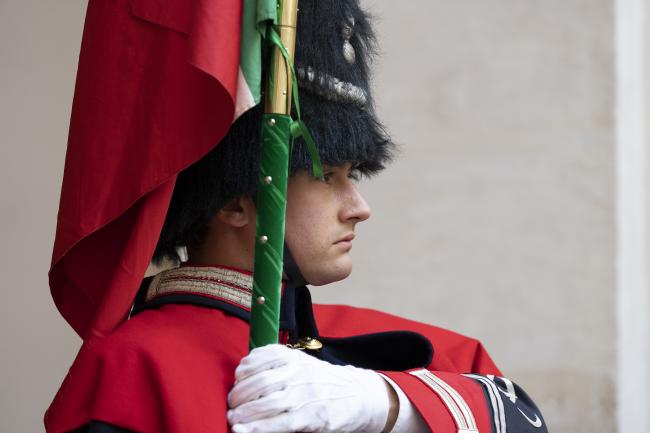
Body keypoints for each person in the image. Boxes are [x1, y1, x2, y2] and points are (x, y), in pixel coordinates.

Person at [45, 0, 548, 432]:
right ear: (234, 202)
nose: (360, 208)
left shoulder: (409, 361)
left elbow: (521, 417)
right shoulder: (134, 368)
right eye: (328, 176)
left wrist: (387, 405)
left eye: (355, 176)